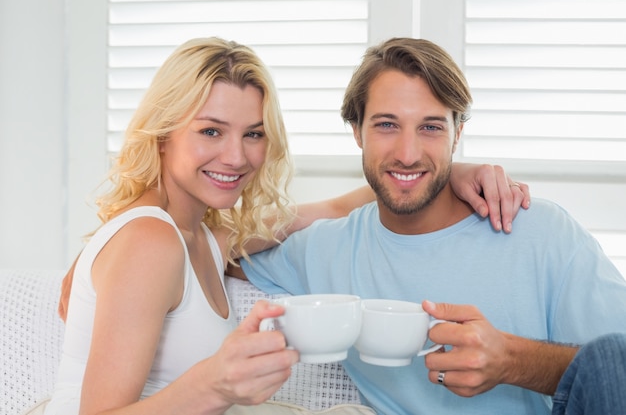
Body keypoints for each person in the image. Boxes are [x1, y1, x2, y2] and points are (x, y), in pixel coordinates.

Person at [45, 37, 530, 415]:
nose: (235, 156)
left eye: (253, 134)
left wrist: (446, 171)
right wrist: (214, 384)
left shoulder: (207, 238)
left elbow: (338, 207)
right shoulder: (150, 240)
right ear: (163, 134)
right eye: (210, 130)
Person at [229, 38, 626, 415]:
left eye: (431, 127)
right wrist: (340, 204)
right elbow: (213, 240)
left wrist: (513, 361)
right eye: (386, 125)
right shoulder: (321, 249)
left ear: (458, 135)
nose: (407, 153)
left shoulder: (540, 231)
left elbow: (617, 370)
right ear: (356, 132)